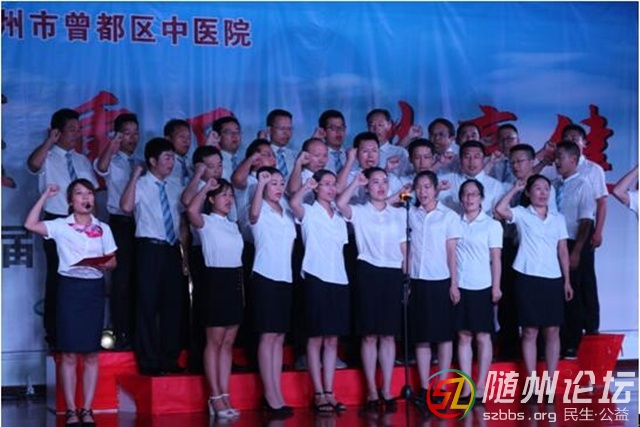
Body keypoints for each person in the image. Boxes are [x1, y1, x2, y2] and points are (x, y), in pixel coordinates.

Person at [25, 179, 117, 426]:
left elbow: (113, 261)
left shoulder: (103, 228)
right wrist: (45, 196)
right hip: (70, 289)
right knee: (68, 354)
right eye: (79, 193)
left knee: (91, 353)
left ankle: (87, 409)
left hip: (93, 289)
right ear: (70, 201)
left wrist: (104, 263)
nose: (86, 198)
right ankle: (71, 410)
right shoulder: (60, 226)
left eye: (89, 193)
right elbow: (30, 224)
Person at [27, 108, 99, 350]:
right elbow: (32, 164)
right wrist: (50, 141)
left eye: (79, 129)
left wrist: (95, 226)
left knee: (83, 276)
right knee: (58, 277)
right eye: (71, 130)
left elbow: (92, 195)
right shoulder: (47, 156)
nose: (76, 134)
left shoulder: (82, 160)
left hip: (83, 223)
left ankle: (79, 331)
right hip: (57, 221)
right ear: (57, 131)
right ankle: (55, 335)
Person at [336, 167, 406, 412]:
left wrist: (406, 276)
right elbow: (340, 203)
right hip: (368, 271)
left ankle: (386, 388)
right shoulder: (361, 211)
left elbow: (404, 246)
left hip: (392, 272)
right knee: (369, 334)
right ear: (367, 187)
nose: (381, 186)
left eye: (384, 181)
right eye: (375, 182)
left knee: (388, 334)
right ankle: (371, 390)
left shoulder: (399, 214)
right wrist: (355, 182)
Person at [495, 175, 573, 381]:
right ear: (529, 193)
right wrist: (515, 189)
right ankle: (532, 382)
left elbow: (563, 250)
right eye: (537, 188)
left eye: (546, 188)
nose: (543, 193)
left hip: (553, 277)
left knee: (553, 330)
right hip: (527, 277)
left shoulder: (558, 219)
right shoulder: (522, 213)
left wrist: (567, 280)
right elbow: (500, 209)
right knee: (530, 331)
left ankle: (550, 381)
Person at [120, 137, 187, 376]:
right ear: (152, 160)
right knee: (147, 305)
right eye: (167, 157)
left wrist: (185, 254)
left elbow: (183, 220)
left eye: (173, 158)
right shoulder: (141, 183)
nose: (171, 162)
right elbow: (126, 207)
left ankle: (170, 359)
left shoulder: (175, 185)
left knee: (173, 305)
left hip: (172, 248)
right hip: (149, 248)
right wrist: (134, 177)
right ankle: (148, 361)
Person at [289, 169, 349, 413]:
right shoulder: (309, 211)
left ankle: (330, 391)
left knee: (332, 339)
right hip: (316, 276)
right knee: (315, 337)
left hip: (339, 278)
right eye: (326, 184)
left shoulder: (339, 216)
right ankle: (318, 392)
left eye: (334, 184)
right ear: (316, 187)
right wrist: (306, 186)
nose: (331, 188)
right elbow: (293, 203)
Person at [186, 177, 243, 419]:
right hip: (215, 281)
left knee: (228, 343)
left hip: (234, 281)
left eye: (231, 195)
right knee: (215, 342)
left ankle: (225, 393)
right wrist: (206, 187)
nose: (228, 199)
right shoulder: (206, 222)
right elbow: (191, 210)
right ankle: (215, 396)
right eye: (223, 195)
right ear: (211, 199)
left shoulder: (233, 225)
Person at [406, 171, 462, 408]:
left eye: (427, 186)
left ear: (436, 188)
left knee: (443, 336)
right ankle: (425, 387)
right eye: (419, 187)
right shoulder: (410, 215)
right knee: (422, 337)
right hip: (418, 280)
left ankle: (442, 386)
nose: (423, 191)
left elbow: (452, 252)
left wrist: (454, 283)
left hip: (441, 279)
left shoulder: (449, 216)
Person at [249, 166, 297, 416]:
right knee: (267, 336)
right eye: (273, 183)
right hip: (265, 276)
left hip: (284, 277)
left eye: (281, 183)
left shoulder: (286, 211)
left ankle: (277, 391)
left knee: (279, 337)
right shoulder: (259, 208)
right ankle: (269, 393)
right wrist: (260, 184)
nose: (278, 188)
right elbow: (253, 215)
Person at [94, 112, 140, 350]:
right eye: (126, 133)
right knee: (121, 280)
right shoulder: (112, 160)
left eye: (135, 133)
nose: (132, 138)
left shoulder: (142, 163)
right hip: (120, 223)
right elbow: (100, 168)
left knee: (138, 280)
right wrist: (111, 147)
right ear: (117, 135)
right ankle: (120, 332)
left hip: (141, 224)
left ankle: (136, 333)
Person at [455, 179, 503, 401]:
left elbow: (496, 258)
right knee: (463, 336)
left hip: (483, 285)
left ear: (482, 198)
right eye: (466, 194)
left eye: (474, 194)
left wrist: (496, 287)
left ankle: (481, 385)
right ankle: (466, 386)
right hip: (460, 285)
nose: (469, 198)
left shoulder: (492, 225)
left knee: (483, 336)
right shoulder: (455, 222)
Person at [180, 146, 224, 373]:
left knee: (223, 311)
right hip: (201, 251)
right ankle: (198, 358)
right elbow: (187, 202)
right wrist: (198, 175)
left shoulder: (223, 189)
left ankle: (222, 357)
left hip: (224, 254)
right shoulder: (197, 187)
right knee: (203, 306)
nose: (217, 170)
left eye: (219, 165)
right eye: (211, 166)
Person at [554, 141, 596, 359]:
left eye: (560, 157)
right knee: (556, 295)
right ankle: (557, 342)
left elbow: (586, 220)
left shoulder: (583, 185)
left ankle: (572, 343)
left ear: (573, 159)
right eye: (555, 157)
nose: (556, 161)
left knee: (572, 294)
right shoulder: (553, 185)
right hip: (553, 244)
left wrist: (577, 251)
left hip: (572, 243)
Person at [439, 140, 505, 215]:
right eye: (467, 157)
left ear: (483, 159)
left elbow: (498, 215)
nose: (472, 161)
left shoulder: (495, 186)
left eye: (476, 157)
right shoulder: (445, 181)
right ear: (460, 160)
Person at [366, 108, 410, 176]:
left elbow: (407, 177)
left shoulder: (400, 152)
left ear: (389, 125)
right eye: (372, 125)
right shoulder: (360, 153)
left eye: (380, 125)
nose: (376, 129)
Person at [264, 109, 296, 181]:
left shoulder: (295, 156)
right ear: (269, 129)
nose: (286, 133)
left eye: (289, 129)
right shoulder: (261, 155)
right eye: (282, 128)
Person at [209, 116, 243, 180]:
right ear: (218, 137)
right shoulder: (214, 161)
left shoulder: (244, 160)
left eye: (237, 131)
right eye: (228, 132)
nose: (234, 135)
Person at [164, 119, 193, 187]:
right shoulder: (162, 163)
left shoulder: (190, 163)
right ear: (168, 139)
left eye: (189, 137)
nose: (186, 141)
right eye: (181, 136)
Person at [317, 110, 348, 174]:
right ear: (323, 131)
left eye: (342, 127)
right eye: (333, 128)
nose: (339, 131)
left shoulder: (351, 155)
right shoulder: (317, 157)